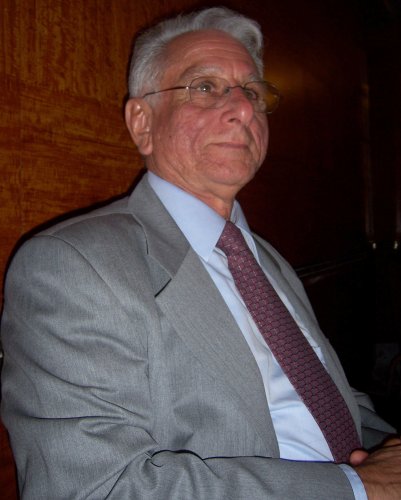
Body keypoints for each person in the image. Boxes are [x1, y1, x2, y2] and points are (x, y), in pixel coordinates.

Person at [1, 6, 400, 499]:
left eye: (252, 92)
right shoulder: (72, 265)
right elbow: (94, 488)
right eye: (205, 87)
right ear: (142, 123)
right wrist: (356, 487)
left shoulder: (266, 260)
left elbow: (320, 398)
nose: (244, 109)